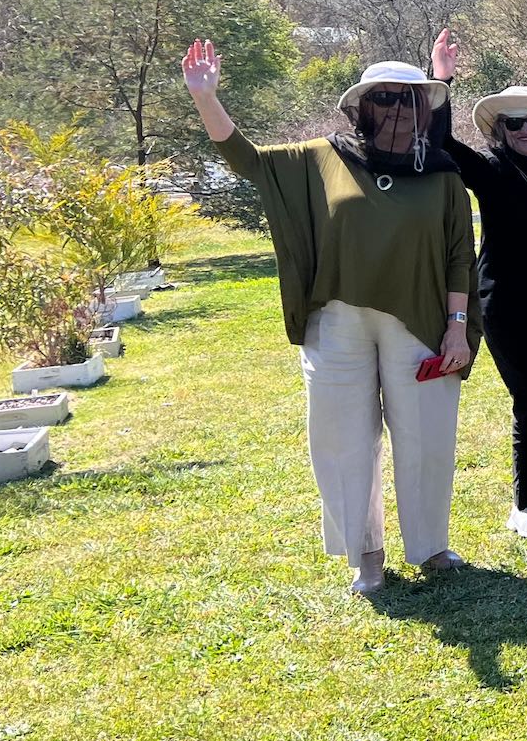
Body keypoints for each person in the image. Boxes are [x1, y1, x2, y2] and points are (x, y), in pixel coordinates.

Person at [182, 42, 475, 593]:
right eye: (384, 99)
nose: (397, 110)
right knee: (343, 439)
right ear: (361, 108)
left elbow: (460, 253)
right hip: (337, 322)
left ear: (424, 111)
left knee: (427, 436)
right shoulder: (321, 158)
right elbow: (248, 160)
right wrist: (206, 98)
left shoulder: (442, 176)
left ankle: (430, 544)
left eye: (410, 101)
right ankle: (367, 555)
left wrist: (457, 325)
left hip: (420, 320)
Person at [426, 31, 527, 538]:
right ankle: (523, 505)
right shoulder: (492, 171)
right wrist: (441, 81)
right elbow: (439, 144)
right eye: (515, 122)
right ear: (501, 129)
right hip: (507, 306)